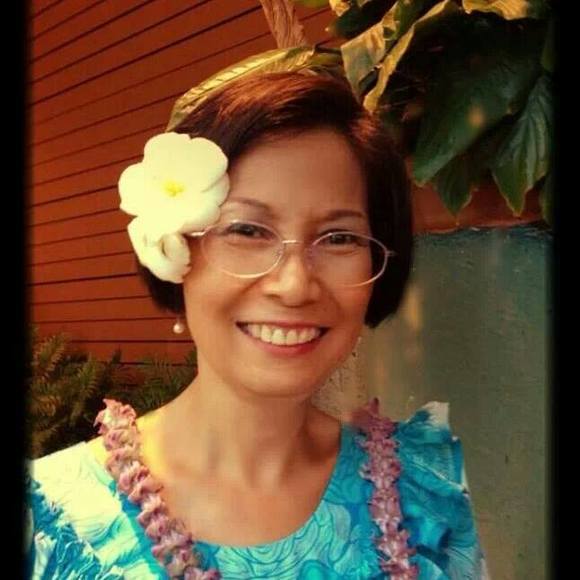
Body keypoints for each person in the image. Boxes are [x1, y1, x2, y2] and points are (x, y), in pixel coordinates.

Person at [26, 71, 488, 579]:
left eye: (339, 238)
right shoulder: (49, 520)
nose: (294, 285)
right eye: (247, 230)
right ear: (175, 249)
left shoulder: (425, 496)